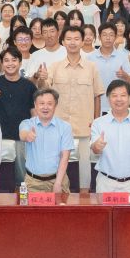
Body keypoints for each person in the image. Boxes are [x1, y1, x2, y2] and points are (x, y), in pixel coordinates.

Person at [42, 25, 103, 191]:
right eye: (68, 39)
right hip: (59, 126)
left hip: (84, 125)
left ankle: (84, 195)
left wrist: (96, 121)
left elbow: (97, 96)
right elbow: (45, 90)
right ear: (63, 42)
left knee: (84, 167)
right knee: (58, 163)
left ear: (83, 42)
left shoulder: (92, 67)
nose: (72, 42)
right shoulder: (54, 66)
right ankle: (59, 192)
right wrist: (41, 78)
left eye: (76, 39)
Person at [90, 80, 130, 194]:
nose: (119, 99)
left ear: (129, 99)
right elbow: (95, 150)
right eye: (114, 95)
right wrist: (97, 146)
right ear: (108, 99)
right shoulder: (98, 123)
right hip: (106, 183)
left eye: (123, 95)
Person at [16, 89, 74, 194]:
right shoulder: (27, 123)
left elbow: (65, 157)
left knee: (61, 205)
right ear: (35, 105)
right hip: (33, 182)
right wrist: (28, 136)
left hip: (58, 180)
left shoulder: (65, 127)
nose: (45, 107)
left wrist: (58, 183)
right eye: (41, 103)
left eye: (49, 104)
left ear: (55, 105)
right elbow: (22, 134)